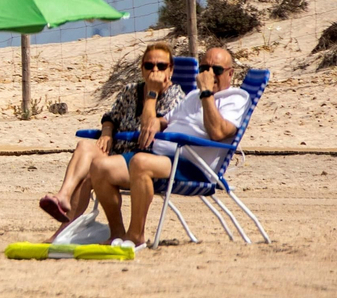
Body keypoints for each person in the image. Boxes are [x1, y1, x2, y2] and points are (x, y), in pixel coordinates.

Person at [89, 45, 251, 248]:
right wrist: (157, 122)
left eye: (216, 70)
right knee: (99, 167)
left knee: (140, 162)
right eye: (204, 69)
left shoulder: (235, 97)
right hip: (162, 157)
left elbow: (218, 132)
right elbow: (165, 120)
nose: (209, 75)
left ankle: (135, 235)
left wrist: (207, 92)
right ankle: (116, 233)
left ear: (230, 73)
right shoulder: (193, 96)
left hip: (193, 165)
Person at [39, 41, 184, 223]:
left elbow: (149, 128)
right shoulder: (130, 91)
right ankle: (63, 196)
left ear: (170, 70)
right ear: (142, 69)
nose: (155, 70)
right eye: (149, 65)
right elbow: (111, 116)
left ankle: (78, 230)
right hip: (117, 151)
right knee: (84, 146)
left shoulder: (176, 96)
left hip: (143, 160)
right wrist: (107, 131)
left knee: (91, 173)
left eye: (161, 66)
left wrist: (152, 93)